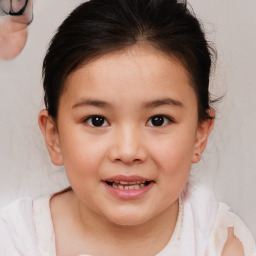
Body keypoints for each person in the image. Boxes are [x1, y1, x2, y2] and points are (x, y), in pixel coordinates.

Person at [0, 0, 255, 255]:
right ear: (55, 138)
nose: (128, 151)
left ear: (199, 136)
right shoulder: (15, 239)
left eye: (158, 120)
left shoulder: (222, 242)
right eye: (97, 120)